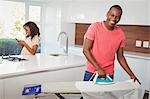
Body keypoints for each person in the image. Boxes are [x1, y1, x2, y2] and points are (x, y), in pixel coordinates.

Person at [83, 5, 141, 84]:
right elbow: (86, 50)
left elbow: (120, 57)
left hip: (109, 74)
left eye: (117, 17)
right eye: (112, 15)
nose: (114, 19)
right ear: (107, 14)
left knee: (105, 96)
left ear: (120, 18)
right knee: (87, 95)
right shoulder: (94, 27)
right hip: (92, 72)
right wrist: (99, 69)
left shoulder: (121, 34)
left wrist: (131, 75)